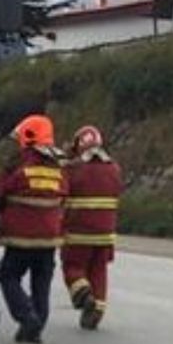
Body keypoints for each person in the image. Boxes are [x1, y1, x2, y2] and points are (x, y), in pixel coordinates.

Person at [0, 114, 67, 344]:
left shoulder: (18, 164)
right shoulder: (58, 168)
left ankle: (27, 318)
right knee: (41, 283)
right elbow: (64, 197)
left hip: (20, 239)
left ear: (27, 137)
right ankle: (35, 328)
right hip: (49, 240)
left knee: (8, 276)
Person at [60, 125, 124, 331]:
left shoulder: (72, 169)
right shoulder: (114, 168)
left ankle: (84, 294)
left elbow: (61, 194)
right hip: (106, 234)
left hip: (79, 231)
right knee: (99, 270)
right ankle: (97, 309)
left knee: (73, 267)